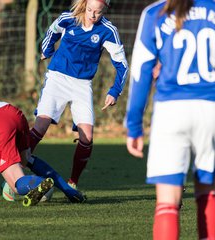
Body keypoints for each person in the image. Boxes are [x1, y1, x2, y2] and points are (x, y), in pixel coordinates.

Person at [125, 0, 215, 239]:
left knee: (167, 202)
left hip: (170, 112)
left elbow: (140, 72)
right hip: (211, 109)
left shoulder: (155, 13)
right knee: (208, 193)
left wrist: (134, 125)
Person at [29, 0, 128, 189]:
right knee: (41, 125)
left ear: (105, 10)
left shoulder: (108, 31)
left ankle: (72, 183)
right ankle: (14, 170)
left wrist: (115, 91)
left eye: (97, 12)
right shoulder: (69, 19)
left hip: (82, 85)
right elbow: (52, 31)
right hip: (57, 78)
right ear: (84, 5)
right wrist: (47, 50)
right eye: (90, 10)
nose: (92, 15)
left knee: (87, 137)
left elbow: (122, 64)